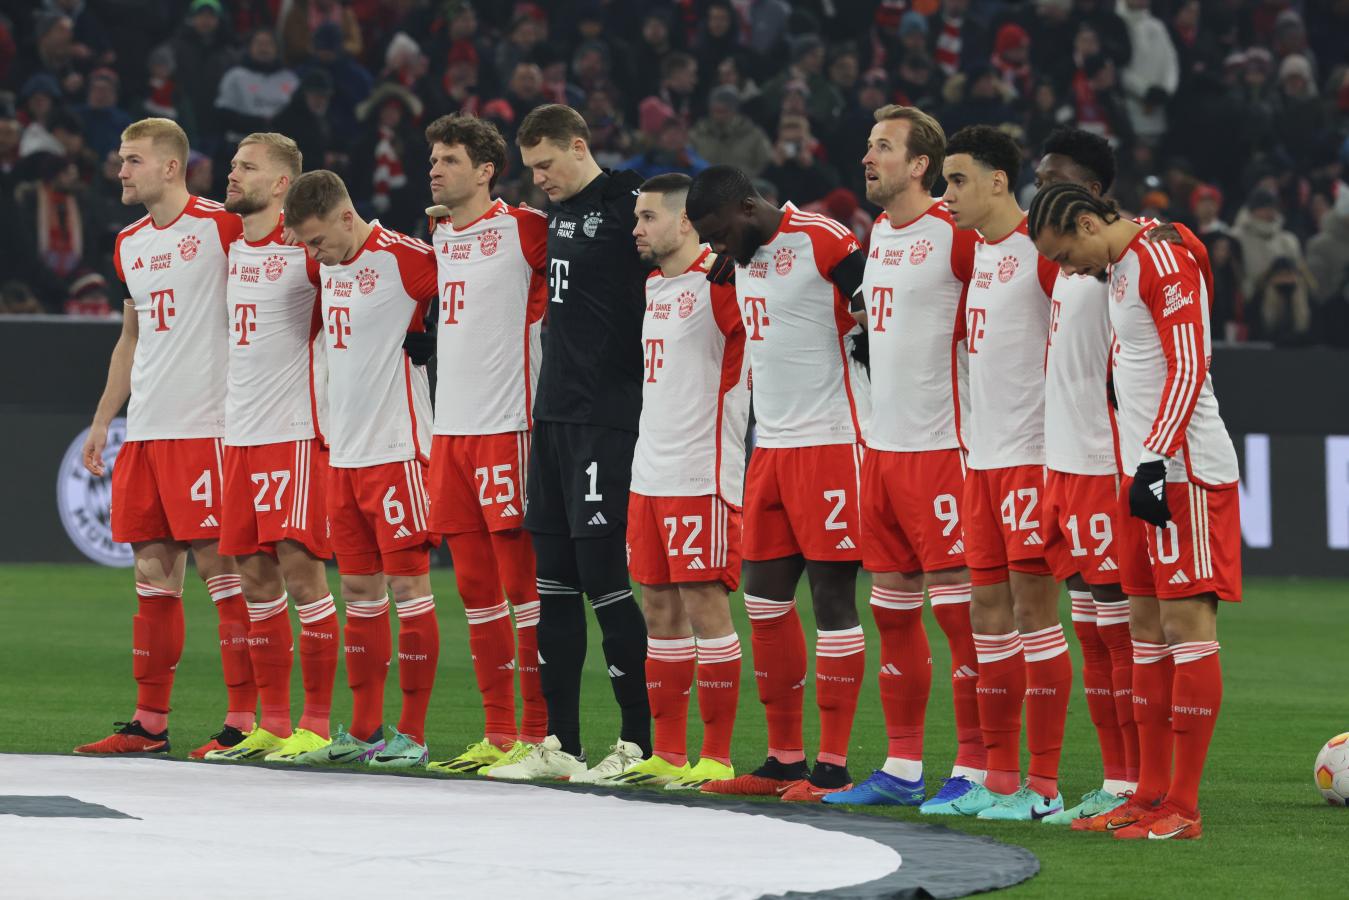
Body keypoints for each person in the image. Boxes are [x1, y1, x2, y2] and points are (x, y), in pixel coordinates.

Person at [1028, 181, 1240, 840]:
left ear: (1089, 222)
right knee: (1144, 631)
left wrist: (1152, 459)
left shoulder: (1163, 258)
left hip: (1186, 473)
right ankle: (1147, 795)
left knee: (1185, 629)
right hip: (1140, 470)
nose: (1068, 270)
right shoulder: (1119, 268)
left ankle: (1184, 806)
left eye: (1067, 254)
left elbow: (1187, 367)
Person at [686, 164, 870, 802]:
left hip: (831, 443)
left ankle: (834, 766)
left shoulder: (822, 237)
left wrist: (872, 336)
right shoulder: (738, 258)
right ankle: (783, 760)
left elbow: (877, 301)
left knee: (832, 602)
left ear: (746, 206)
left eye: (718, 233)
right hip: (769, 449)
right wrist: (726, 261)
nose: (715, 246)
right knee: (764, 602)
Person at [74, 118, 257, 759]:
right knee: (153, 577)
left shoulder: (222, 227)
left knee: (224, 575)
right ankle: (149, 724)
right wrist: (104, 419)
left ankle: (244, 722)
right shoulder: (127, 243)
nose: (120, 171)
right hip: (147, 432)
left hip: (206, 428)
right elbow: (131, 337)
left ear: (170, 166)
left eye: (131, 160)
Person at [821, 106, 985, 811]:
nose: (868, 157)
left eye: (882, 147)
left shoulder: (955, 235)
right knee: (891, 613)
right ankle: (902, 766)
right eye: (868, 145)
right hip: (880, 455)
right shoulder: (880, 232)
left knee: (959, 617)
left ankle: (979, 770)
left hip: (941, 451)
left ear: (920, 165)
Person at [489, 105, 652, 782]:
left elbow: (686, 230)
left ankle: (639, 744)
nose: (539, 180)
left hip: (603, 416)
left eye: (546, 165)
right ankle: (560, 744)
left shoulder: (628, 203)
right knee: (550, 582)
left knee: (602, 578)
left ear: (578, 147)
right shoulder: (550, 214)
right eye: (529, 170)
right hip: (552, 415)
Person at [283, 169, 441, 768]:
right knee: (358, 593)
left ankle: (415, 734)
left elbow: (469, 294)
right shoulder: (325, 264)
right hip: (342, 456)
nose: (312, 253)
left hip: (397, 451)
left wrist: (434, 336)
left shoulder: (405, 258)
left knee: (409, 589)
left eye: (318, 239)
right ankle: (365, 730)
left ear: (348, 217)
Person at [600, 173, 749, 790]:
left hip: (701, 471)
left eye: (647, 218)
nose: (636, 228)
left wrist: (741, 269)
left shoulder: (725, 282)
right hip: (649, 473)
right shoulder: (655, 285)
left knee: (704, 608)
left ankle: (715, 756)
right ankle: (667, 751)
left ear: (686, 221)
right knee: (658, 610)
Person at [415, 114, 550, 776]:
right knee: (473, 588)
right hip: (449, 433)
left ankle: (536, 733)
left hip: (507, 428)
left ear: (485, 169)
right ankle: (497, 734)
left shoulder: (527, 230)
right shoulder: (440, 235)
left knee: (521, 586)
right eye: (432, 159)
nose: (433, 168)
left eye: (447, 159)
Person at [939, 125, 1066, 820]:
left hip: (1029, 463)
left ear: (997, 181)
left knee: (1033, 616)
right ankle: (998, 778)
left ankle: (1042, 789)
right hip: (979, 464)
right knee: (985, 617)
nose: (945, 194)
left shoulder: (1038, 253)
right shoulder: (980, 254)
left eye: (956, 180)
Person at [207, 133, 339, 764]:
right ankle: (275, 725)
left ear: (283, 184)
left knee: (301, 573)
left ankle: (316, 724)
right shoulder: (231, 246)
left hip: (291, 435)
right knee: (254, 579)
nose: (232, 174)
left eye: (247, 168)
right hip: (239, 438)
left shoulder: (307, 255)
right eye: (233, 164)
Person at [1032, 127, 1138, 824]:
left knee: (1119, 632)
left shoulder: (1116, 273)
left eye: (1053, 181)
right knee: (1089, 631)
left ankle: (1136, 782)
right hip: (1061, 466)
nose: (1038, 191)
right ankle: (1112, 779)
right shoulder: (1065, 269)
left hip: (1103, 467)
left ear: (1091, 194)